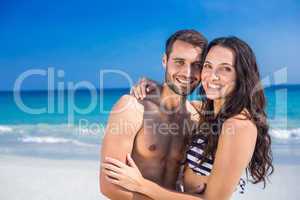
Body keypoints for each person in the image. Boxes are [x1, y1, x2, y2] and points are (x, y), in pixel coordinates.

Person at [102, 36, 274, 200]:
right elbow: (109, 186)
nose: (212, 76)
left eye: (225, 68)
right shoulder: (202, 114)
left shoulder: (238, 124)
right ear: (165, 61)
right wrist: (154, 86)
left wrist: (142, 185)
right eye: (207, 66)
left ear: (241, 75)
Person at [100, 29, 208, 200]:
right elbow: (109, 186)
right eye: (179, 62)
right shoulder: (132, 108)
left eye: (197, 65)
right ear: (164, 61)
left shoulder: (198, 119)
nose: (187, 73)